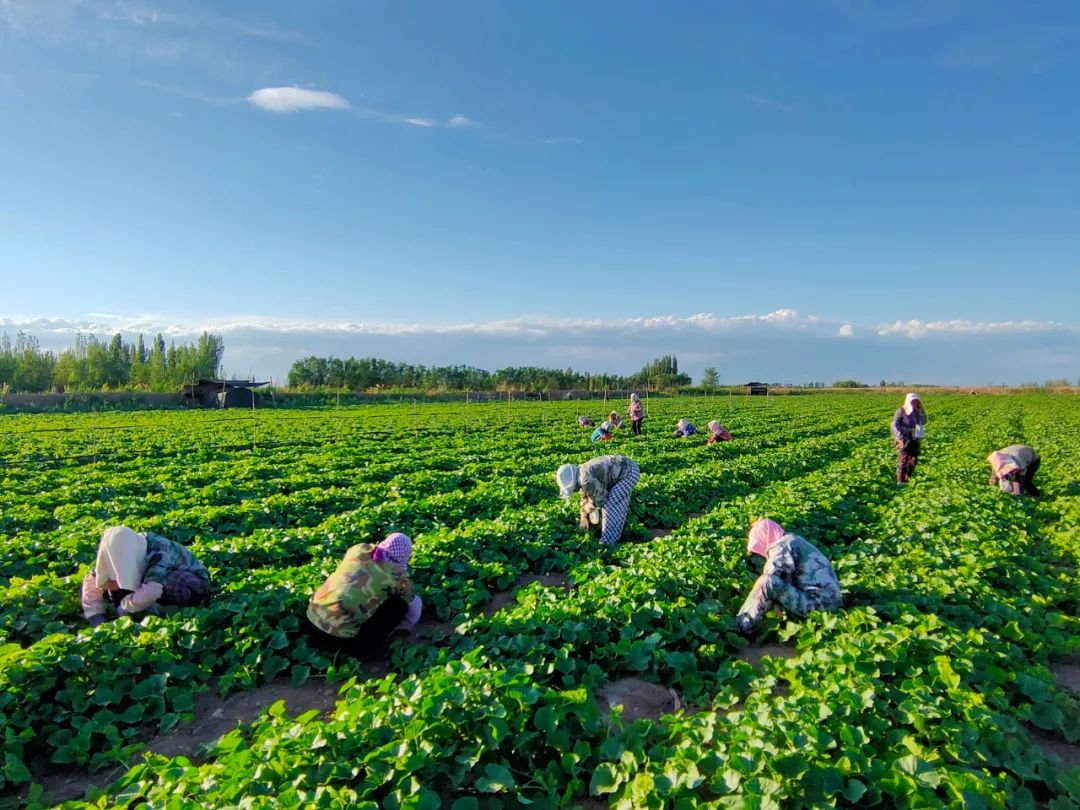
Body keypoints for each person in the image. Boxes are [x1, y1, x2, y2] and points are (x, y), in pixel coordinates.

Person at [305, 533, 423, 658]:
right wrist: (406, 626)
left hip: (311, 620)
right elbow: (414, 604)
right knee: (399, 606)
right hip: (341, 640)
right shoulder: (396, 577)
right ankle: (366, 651)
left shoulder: (358, 550)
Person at [82, 526, 211, 626]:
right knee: (107, 583)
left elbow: (152, 591)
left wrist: (124, 608)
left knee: (176, 583)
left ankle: (164, 611)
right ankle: (141, 606)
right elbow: (93, 580)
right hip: (149, 585)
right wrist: (96, 615)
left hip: (192, 582)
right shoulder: (113, 552)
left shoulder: (158, 551)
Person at [735, 519, 842, 635]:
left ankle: (741, 625)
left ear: (764, 537)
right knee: (776, 583)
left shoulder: (781, 545)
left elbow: (770, 577)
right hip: (830, 605)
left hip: (818, 607)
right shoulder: (793, 540)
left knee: (766, 581)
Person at [556, 455, 641, 547]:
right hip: (624, 470)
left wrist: (591, 505)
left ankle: (608, 543)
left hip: (629, 472)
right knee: (612, 503)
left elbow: (601, 499)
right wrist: (583, 518)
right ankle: (611, 534)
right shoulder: (581, 474)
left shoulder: (585, 479)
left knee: (611, 505)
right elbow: (584, 497)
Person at [890, 392, 927, 483]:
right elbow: (894, 423)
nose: (914, 403)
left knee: (914, 459)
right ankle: (901, 481)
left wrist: (920, 411)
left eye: (916, 401)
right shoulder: (901, 410)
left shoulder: (918, 410)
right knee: (904, 459)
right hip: (903, 437)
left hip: (915, 437)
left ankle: (907, 476)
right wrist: (899, 437)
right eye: (912, 401)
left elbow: (924, 421)